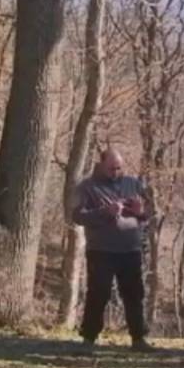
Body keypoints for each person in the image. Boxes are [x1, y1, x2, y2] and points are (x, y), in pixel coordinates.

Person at [72, 149, 156, 353]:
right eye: (111, 168)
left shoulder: (133, 183)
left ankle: (138, 338)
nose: (116, 172)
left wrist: (141, 212)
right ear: (101, 165)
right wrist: (104, 212)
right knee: (98, 293)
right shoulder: (87, 187)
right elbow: (78, 216)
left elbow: (152, 212)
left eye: (119, 168)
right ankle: (89, 339)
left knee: (134, 294)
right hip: (102, 250)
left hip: (130, 249)